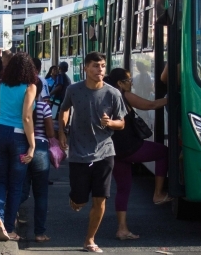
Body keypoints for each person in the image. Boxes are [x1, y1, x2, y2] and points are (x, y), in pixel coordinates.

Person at [56, 52, 127, 253]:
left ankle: (90, 240)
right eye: (96, 66)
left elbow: (122, 122)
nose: (100, 70)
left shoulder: (113, 93)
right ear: (85, 68)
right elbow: (65, 109)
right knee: (80, 200)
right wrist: (62, 132)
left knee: (100, 198)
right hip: (79, 152)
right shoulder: (73, 90)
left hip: (105, 152)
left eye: (103, 66)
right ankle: (76, 198)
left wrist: (111, 123)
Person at [105, 68, 171, 241]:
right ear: (119, 83)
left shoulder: (105, 94)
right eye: (128, 80)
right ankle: (158, 194)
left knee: (123, 188)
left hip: (114, 150)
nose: (131, 83)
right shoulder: (123, 95)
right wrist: (173, 98)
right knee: (163, 152)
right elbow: (151, 105)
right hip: (130, 147)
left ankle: (122, 229)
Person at [0, 53, 37, 242]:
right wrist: (32, 144)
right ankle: (9, 228)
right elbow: (27, 118)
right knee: (15, 185)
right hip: (18, 137)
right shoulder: (30, 87)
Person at [19, 78, 55, 244]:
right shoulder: (43, 106)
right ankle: (39, 233)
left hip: (22, 147)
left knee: (21, 189)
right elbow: (50, 131)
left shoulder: (21, 106)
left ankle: (10, 219)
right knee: (41, 194)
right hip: (40, 148)